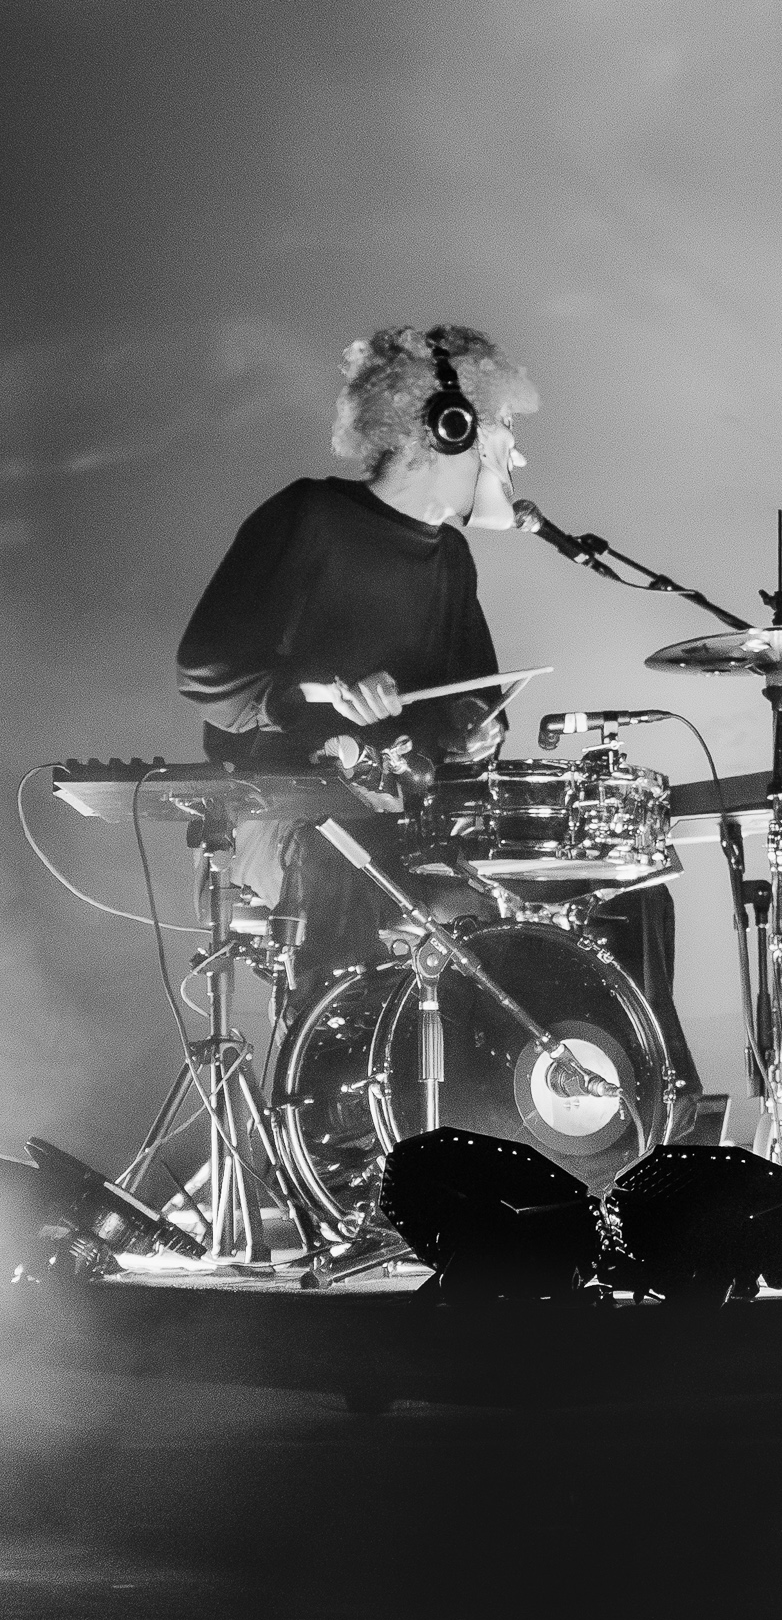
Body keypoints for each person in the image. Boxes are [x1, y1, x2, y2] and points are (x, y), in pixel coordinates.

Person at [176, 325, 698, 1107]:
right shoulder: (308, 517)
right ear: (446, 428)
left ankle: (631, 1110)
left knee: (621, 893)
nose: (516, 455)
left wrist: (475, 734)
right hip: (284, 814)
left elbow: (465, 712)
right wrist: (319, 692)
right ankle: (337, 1113)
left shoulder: (450, 558)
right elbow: (206, 671)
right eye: (504, 428)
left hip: (406, 818)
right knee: (359, 869)